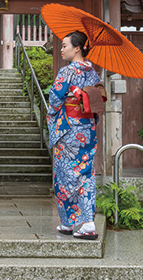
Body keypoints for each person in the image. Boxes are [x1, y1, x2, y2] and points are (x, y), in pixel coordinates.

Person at [47, 30, 103, 240]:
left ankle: (78, 222)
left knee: (65, 175)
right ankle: (78, 222)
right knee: (85, 173)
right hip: (87, 128)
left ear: (77, 48)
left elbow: (54, 99)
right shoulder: (93, 73)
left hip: (69, 129)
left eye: (64, 45)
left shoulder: (66, 72)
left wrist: (53, 114)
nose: (61, 49)